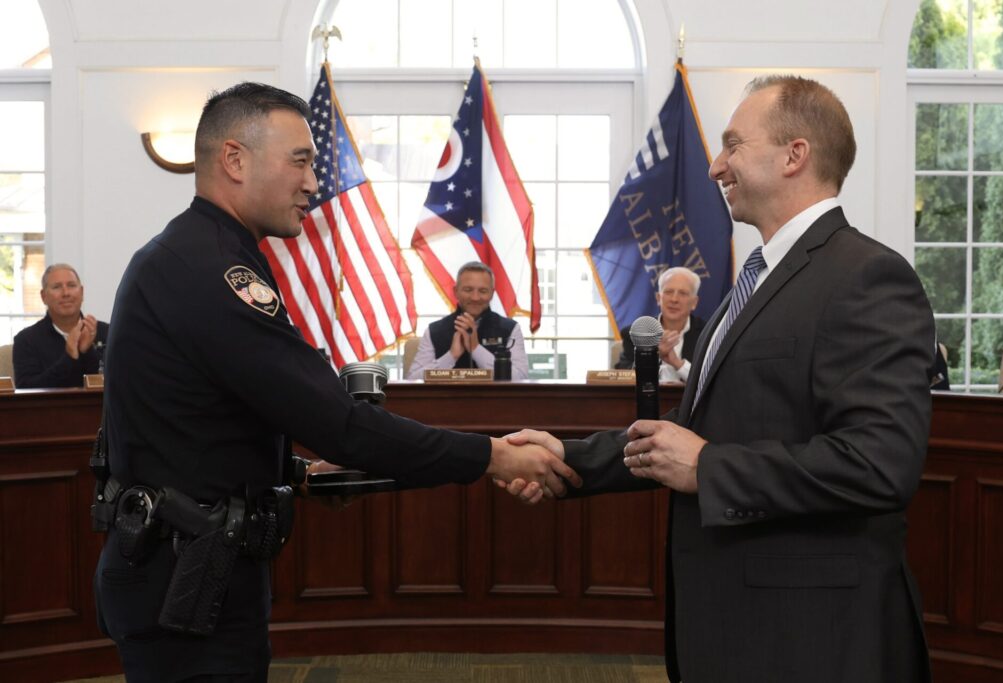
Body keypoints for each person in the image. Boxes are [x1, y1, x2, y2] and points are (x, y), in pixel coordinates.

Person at [94, 82, 579, 682]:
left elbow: (195, 425)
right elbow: (341, 424)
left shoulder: (196, 254)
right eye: (299, 160)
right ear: (235, 160)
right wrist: (491, 456)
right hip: (183, 581)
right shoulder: (213, 272)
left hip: (188, 568)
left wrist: (293, 472)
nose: (314, 183)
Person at [503, 75, 935, 682]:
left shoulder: (866, 277)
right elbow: (695, 431)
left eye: (733, 144)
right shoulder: (755, 279)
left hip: (813, 634)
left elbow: (879, 462)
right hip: (736, 624)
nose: (714, 165)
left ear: (795, 155)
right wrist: (568, 461)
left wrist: (711, 468)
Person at [407, 261, 528, 380]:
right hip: (446, 399)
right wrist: (451, 356)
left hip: (493, 400)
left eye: (483, 291)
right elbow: (412, 379)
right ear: (456, 292)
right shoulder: (434, 330)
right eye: (468, 290)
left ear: (492, 294)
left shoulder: (510, 329)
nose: (475, 297)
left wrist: (476, 349)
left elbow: (520, 378)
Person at [13, 263, 109, 388]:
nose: (66, 293)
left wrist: (87, 352)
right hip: (49, 408)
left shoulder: (107, 332)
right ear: (43, 296)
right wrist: (69, 358)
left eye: (71, 285)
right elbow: (26, 390)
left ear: (82, 292)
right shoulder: (26, 340)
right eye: (57, 287)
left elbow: (116, 383)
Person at [614, 266, 705, 382]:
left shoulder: (707, 334)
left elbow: (711, 382)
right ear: (658, 298)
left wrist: (678, 363)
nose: (674, 299)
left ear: (694, 302)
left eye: (683, 293)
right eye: (668, 292)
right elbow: (624, 376)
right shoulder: (636, 333)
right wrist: (652, 357)